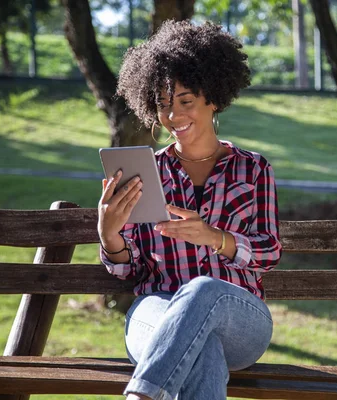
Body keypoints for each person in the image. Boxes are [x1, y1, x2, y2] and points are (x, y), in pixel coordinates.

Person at [97, 20, 282, 400]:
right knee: (203, 355)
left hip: (240, 320)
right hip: (156, 312)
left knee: (203, 290)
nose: (173, 117)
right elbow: (128, 269)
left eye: (186, 102)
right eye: (163, 105)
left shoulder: (253, 169)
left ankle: (142, 395)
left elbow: (269, 252)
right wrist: (109, 234)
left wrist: (214, 238)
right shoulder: (144, 174)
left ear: (212, 98)